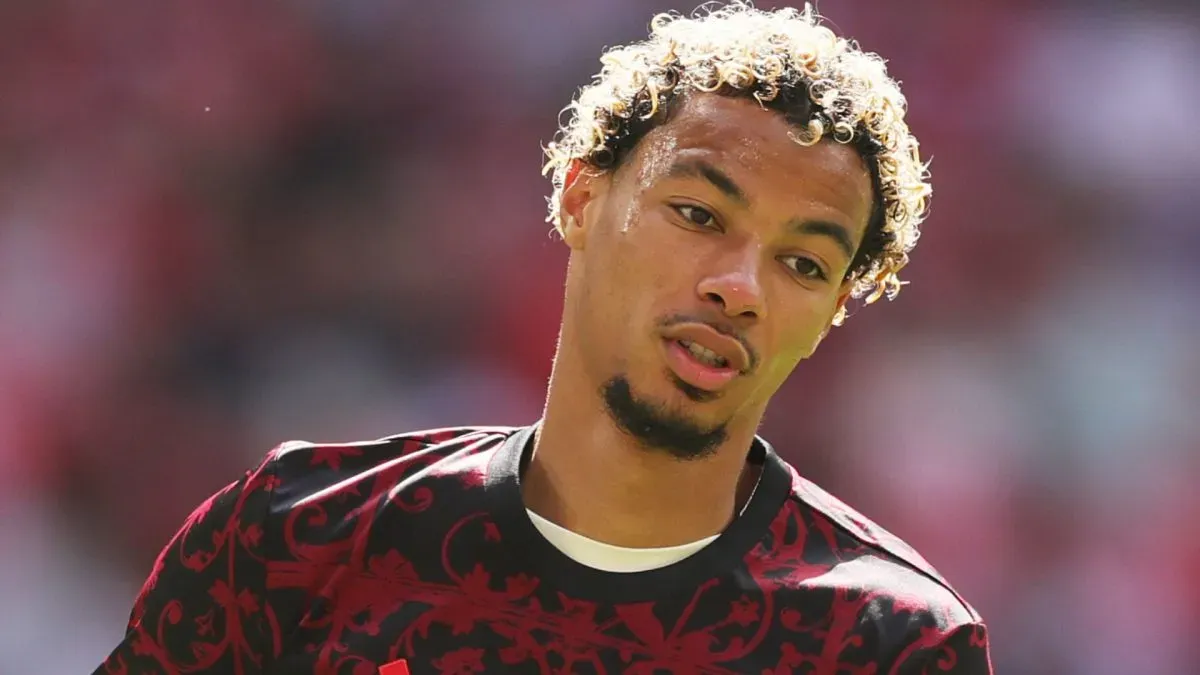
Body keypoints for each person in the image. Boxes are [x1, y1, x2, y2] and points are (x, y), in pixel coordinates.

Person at [95, 3, 993, 673]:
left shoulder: (889, 643)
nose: (740, 286)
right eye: (696, 212)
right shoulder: (293, 540)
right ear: (580, 196)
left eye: (803, 264)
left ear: (836, 308)